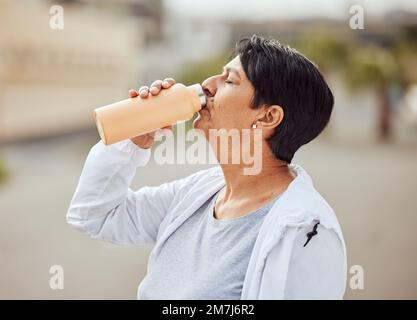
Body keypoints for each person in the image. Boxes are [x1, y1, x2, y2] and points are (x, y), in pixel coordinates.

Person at [67, 35, 347, 299]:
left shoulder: (306, 229)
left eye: (229, 81)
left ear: (268, 116)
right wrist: (131, 140)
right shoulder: (200, 192)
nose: (207, 85)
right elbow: (96, 215)